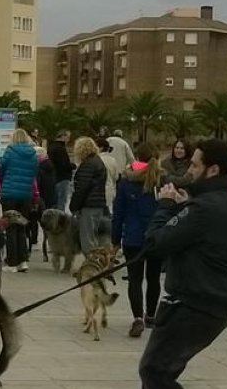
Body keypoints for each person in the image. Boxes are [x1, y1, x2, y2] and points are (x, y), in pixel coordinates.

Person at [129, 138, 227, 389]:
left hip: (197, 303)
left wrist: (166, 206)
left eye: (195, 165)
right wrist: (184, 208)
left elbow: (155, 243)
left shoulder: (204, 209)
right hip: (209, 300)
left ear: (212, 169)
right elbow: (196, 234)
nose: (189, 170)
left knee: (156, 370)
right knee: (155, 369)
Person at [112, 143, 164, 337]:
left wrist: (115, 239)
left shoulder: (126, 181)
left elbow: (118, 213)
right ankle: (151, 315)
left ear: (136, 159)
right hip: (157, 237)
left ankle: (137, 318)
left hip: (133, 237)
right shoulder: (161, 179)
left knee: (135, 279)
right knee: (153, 277)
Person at [0, 129, 39, 272]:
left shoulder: (10, 151)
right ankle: (23, 261)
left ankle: (12, 262)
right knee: (22, 228)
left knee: (10, 228)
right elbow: (34, 173)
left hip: (9, 194)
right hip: (25, 195)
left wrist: (4, 183)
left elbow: (0, 169)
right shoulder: (33, 154)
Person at [69, 136, 110, 253]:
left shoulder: (88, 164)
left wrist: (74, 206)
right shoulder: (98, 161)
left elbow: (82, 188)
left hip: (88, 204)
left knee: (88, 240)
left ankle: (92, 266)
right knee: (96, 237)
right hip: (98, 203)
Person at [30, 145, 57, 250]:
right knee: (48, 221)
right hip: (50, 196)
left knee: (34, 218)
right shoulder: (50, 166)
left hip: (40, 198)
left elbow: (37, 183)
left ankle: (34, 239)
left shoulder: (39, 168)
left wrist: (35, 196)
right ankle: (51, 241)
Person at [48, 130, 75, 209]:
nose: (69, 140)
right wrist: (73, 166)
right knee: (61, 202)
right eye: (68, 137)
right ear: (63, 136)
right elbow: (64, 164)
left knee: (55, 201)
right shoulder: (60, 148)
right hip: (62, 177)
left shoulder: (51, 147)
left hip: (54, 177)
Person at [96, 137, 120, 211]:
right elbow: (116, 177)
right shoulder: (113, 160)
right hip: (110, 191)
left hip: (97, 194)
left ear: (100, 148)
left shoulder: (95, 159)